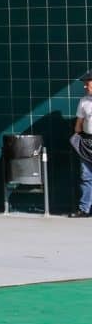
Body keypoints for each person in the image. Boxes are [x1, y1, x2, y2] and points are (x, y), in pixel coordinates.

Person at [70, 72, 92, 218]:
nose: (85, 86)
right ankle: (84, 209)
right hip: (88, 142)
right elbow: (78, 125)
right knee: (86, 176)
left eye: (87, 83)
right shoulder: (84, 101)